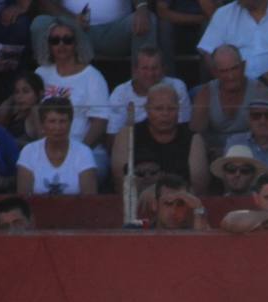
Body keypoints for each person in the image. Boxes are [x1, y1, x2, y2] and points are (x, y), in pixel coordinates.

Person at [34, 19, 112, 175]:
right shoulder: (40, 73)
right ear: (48, 45)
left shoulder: (93, 76)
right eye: (55, 40)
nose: (61, 45)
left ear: (76, 43)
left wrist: (78, 153)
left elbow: (100, 121)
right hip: (46, 151)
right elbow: (33, 110)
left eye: (67, 40)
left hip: (86, 151)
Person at [197, 0, 268, 106]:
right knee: (196, 94)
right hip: (229, 85)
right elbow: (207, 52)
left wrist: (261, 83)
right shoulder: (224, 13)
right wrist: (225, 81)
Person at [110, 82, 211, 191]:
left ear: (178, 109)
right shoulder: (127, 134)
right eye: (158, 109)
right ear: (147, 109)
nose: (165, 114)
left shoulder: (193, 138)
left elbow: (199, 183)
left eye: (171, 109)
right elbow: (119, 178)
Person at [192, 46, 268, 158]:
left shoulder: (260, 92)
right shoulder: (205, 94)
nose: (230, 76)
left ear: (243, 66)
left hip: (253, 154)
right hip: (214, 154)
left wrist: (231, 152)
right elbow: (197, 134)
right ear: (215, 72)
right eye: (224, 71)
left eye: (234, 69)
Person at [30, 0, 166, 65]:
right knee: (40, 23)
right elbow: (46, 3)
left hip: (113, 33)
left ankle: (142, 92)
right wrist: (71, 19)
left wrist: (141, 8)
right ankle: (46, 82)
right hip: (71, 33)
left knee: (148, 19)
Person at [104, 45, 192, 139]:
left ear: (163, 69)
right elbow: (112, 135)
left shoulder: (177, 87)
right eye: (145, 68)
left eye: (154, 68)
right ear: (135, 70)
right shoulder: (120, 93)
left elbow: (183, 128)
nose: (150, 74)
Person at [17, 96, 101, 194]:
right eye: (52, 121)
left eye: (63, 121)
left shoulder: (84, 153)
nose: (58, 127)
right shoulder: (29, 151)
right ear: (43, 124)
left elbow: (90, 200)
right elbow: (23, 197)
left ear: (70, 123)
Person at [0, 71, 46, 145]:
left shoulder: (36, 111)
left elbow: (43, 142)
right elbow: (0, 118)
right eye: (17, 92)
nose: (20, 96)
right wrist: (12, 98)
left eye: (26, 91)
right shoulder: (14, 113)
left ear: (39, 94)